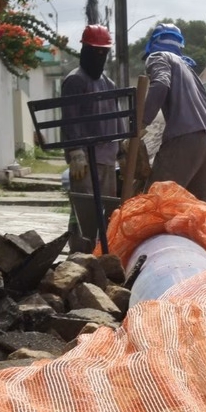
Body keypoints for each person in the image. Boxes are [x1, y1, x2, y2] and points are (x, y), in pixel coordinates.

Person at [61, 24, 125, 253]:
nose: (99, 57)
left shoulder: (109, 84)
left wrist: (123, 152)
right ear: (85, 50)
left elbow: (117, 121)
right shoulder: (75, 81)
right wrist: (76, 151)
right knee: (83, 212)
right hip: (84, 162)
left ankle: (101, 255)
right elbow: (70, 118)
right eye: (95, 52)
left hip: (107, 160)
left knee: (105, 214)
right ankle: (78, 254)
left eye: (103, 53)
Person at [141, 23, 206, 202]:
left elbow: (160, 83)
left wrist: (141, 123)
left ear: (153, 44)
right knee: (197, 212)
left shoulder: (158, 56)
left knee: (156, 203)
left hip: (186, 139)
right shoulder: (188, 69)